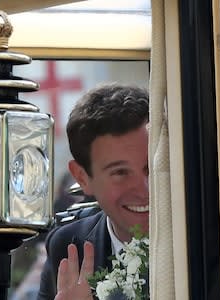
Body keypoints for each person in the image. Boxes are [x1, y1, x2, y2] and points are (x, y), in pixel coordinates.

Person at [37, 83, 149, 300]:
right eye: (120, 172)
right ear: (82, 177)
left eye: (151, 168)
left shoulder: (209, 238)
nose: (144, 189)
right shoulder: (67, 248)